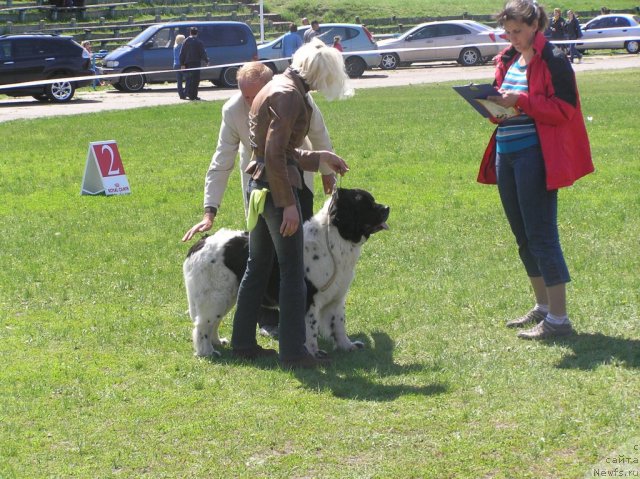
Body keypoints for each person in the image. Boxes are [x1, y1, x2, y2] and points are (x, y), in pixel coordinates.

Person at [181, 61, 336, 338]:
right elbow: (221, 161)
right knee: (261, 257)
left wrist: (327, 172)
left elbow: (318, 136)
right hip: (259, 185)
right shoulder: (231, 110)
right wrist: (209, 211)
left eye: (254, 95)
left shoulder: (296, 96)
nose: (250, 101)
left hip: (297, 179)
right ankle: (268, 321)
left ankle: (301, 317)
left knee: (294, 254)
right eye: (245, 95)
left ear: (270, 85)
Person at [231, 39, 353, 368]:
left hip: (259, 186)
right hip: (275, 189)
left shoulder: (278, 87)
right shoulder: (289, 95)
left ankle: (242, 343)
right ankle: (294, 351)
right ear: (320, 72)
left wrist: (319, 159)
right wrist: (287, 204)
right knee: (291, 272)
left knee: (257, 266)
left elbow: (279, 150)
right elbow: (274, 154)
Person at [480, 0, 594, 340]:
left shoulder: (554, 60)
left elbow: (565, 109)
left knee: (542, 236)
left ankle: (559, 319)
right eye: (508, 32)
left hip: (535, 156)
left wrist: (521, 101)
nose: (512, 38)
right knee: (523, 237)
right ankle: (542, 307)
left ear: (534, 26)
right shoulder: (508, 58)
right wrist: (492, 106)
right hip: (507, 153)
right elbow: (506, 104)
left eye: (518, 31)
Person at [180, 27, 209, 101]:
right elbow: (202, 53)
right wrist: (207, 60)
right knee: (196, 80)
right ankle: (194, 95)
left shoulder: (186, 41)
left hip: (188, 64)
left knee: (189, 80)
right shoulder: (199, 42)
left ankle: (189, 94)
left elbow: (182, 53)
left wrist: (182, 63)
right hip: (196, 63)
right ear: (197, 33)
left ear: (190, 32)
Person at [173, 34, 186, 99]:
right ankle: (186, 93)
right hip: (181, 64)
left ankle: (181, 94)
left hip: (175, 65)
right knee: (188, 79)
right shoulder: (182, 47)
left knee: (179, 81)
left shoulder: (175, 46)